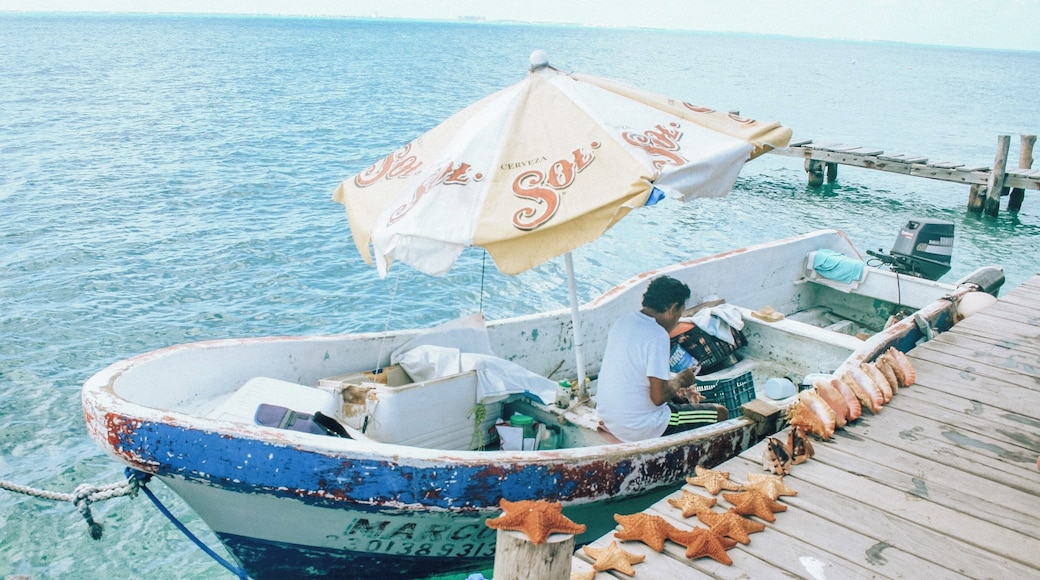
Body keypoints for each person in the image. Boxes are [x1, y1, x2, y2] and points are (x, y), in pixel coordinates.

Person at [596, 276, 729, 442]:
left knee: (680, 401)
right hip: (640, 427)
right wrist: (682, 379)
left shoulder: (622, 322)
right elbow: (658, 398)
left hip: (610, 417)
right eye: (679, 315)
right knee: (720, 412)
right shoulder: (657, 335)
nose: (676, 321)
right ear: (673, 309)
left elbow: (640, 378)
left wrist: (675, 388)